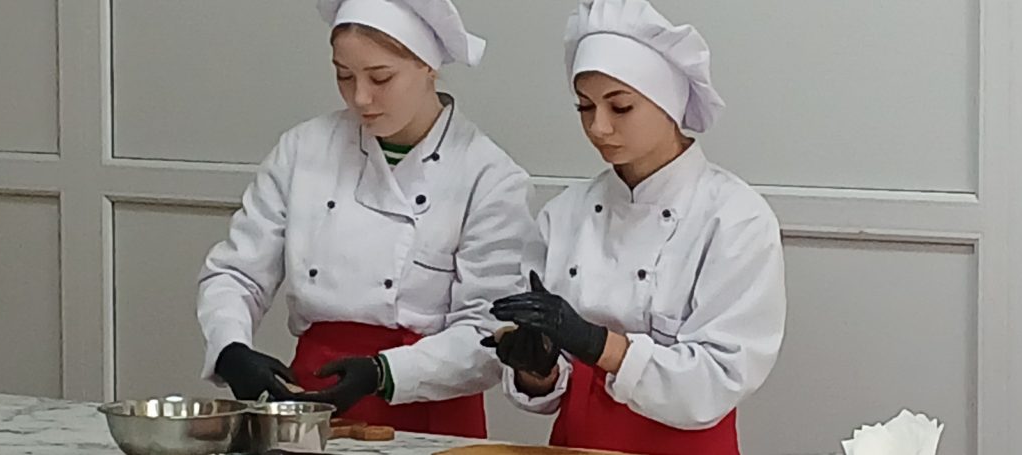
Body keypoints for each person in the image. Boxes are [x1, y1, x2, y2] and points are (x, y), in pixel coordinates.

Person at [197, 0, 535, 438]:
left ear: (428, 67)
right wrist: (231, 348)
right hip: (314, 394)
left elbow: (488, 332)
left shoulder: (488, 176)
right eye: (344, 75)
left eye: (381, 78)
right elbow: (237, 273)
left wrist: (384, 373)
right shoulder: (304, 149)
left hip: (430, 407)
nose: (360, 97)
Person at [481, 0, 787, 453]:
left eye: (620, 107)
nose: (598, 127)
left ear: (669, 104)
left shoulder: (736, 219)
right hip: (576, 444)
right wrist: (537, 368)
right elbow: (550, 388)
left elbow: (717, 380)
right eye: (585, 107)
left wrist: (597, 343)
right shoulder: (564, 214)